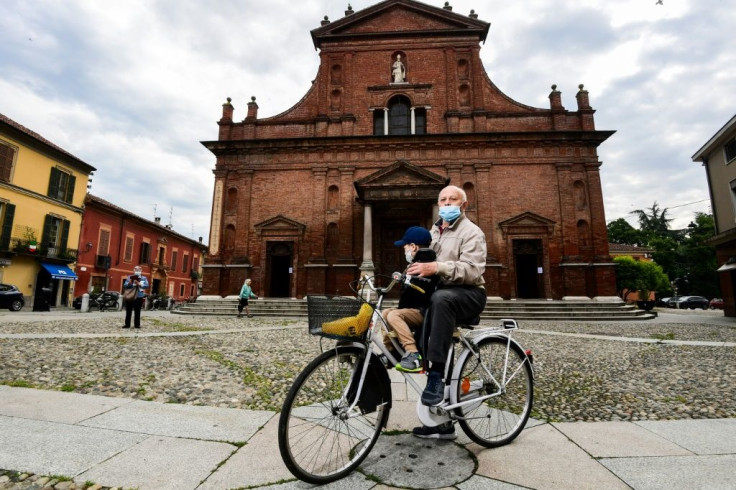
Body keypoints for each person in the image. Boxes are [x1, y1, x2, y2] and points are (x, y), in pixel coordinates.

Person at [407, 185, 487, 439]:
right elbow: (428, 264)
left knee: (440, 299)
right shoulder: (434, 231)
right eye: (443, 200)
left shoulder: (472, 232)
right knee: (409, 305)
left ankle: (436, 374)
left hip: (469, 294)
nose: (447, 203)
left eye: (453, 199)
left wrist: (437, 267)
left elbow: (473, 271)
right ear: (438, 204)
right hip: (442, 295)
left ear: (464, 205)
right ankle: (442, 423)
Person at [382, 226, 438, 373]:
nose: (404, 249)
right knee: (386, 313)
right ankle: (390, 353)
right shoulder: (415, 265)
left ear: (413, 246)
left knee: (394, 315)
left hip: (424, 312)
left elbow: (420, 294)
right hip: (414, 309)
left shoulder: (425, 266)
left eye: (405, 246)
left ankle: (413, 354)